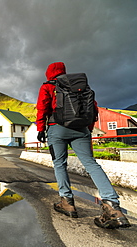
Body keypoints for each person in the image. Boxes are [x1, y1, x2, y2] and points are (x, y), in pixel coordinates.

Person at [36, 62, 131, 229]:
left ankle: (67, 202)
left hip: (56, 129)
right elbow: (93, 108)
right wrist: (87, 129)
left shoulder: (49, 86)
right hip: (81, 130)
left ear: (49, 73)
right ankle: (113, 206)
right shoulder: (80, 87)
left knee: (60, 164)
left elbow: (42, 108)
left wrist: (40, 129)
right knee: (91, 164)